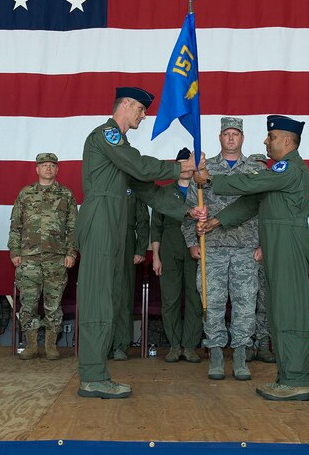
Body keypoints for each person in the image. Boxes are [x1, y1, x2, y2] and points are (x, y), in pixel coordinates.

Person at [75, 86, 204, 399]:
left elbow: (150, 192)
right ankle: (92, 376)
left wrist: (186, 208)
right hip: (102, 222)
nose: (144, 116)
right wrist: (183, 167)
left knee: (111, 297)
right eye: (142, 110)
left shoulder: (121, 150)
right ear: (127, 104)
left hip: (115, 226)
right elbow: (141, 166)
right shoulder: (107, 136)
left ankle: (96, 373)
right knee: (98, 298)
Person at [196, 115, 309, 401]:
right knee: (278, 312)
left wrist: (212, 178)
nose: (266, 141)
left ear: (286, 140)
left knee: (290, 313)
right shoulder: (278, 173)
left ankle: (296, 380)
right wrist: (217, 222)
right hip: (277, 246)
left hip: (288, 245)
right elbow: (252, 203)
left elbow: (252, 184)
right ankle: (287, 377)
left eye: (271, 137)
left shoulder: (289, 168)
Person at [182, 117, 262, 381]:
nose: (230, 138)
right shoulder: (204, 170)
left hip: (245, 247)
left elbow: (263, 207)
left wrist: (264, 243)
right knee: (212, 303)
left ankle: (240, 355)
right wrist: (192, 241)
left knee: (245, 303)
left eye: (235, 134)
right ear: (219, 138)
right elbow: (189, 209)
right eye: (226, 133)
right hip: (212, 247)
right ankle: (215, 355)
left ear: (242, 138)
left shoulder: (254, 168)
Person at [8, 153, 78, 361]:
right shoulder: (25, 194)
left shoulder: (66, 195)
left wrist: (70, 252)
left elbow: (74, 228)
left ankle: (50, 346)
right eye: (44, 165)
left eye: (52, 165)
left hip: (56, 258)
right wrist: (14, 252)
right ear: (37, 169)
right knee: (28, 303)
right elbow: (15, 226)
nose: (48, 168)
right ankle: (30, 345)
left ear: (57, 170)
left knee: (53, 304)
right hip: (28, 258)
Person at [151, 148, 203, 363]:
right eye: (181, 163)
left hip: (196, 249)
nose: (185, 168)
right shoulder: (163, 192)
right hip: (170, 249)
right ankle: (174, 345)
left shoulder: (201, 190)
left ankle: (190, 345)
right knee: (170, 299)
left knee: (194, 298)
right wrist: (156, 256)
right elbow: (156, 228)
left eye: (188, 163)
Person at [109, 190, 150, 360]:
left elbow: (142, 221)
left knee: (124, 294)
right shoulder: (102, 185)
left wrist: (140, 249)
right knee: (103, 297)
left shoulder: (133, 190)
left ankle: (120, 345)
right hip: (104, 240)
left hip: (126, 240)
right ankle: (103, 345)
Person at [247, 154, 276, 364]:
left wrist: (264, 247)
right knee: (245, 303)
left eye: (262, 169)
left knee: (265, 303)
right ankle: (247, 345)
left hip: (265, 257)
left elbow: (276, 225)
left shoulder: (272, 197)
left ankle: (264, 345)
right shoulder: (242, 195)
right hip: (243, 257)